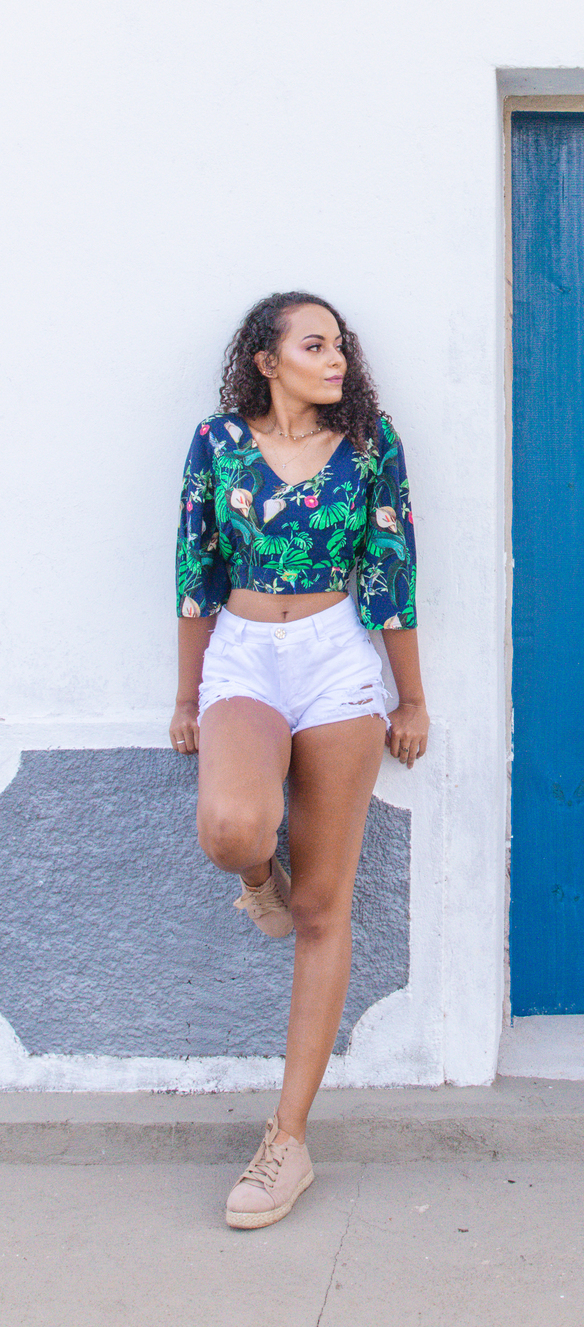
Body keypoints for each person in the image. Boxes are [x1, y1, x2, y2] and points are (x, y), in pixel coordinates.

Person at [169, 290, 429, 1230]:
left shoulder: (370, 447)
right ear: (267, 359)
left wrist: (412, 695)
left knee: (323, 908)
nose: (337, 361)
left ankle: (288, 1141)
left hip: (336, 663)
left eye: (342, 347)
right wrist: (187, 691)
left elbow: (394, 565)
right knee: (233, 828)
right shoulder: (219, 442)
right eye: (314, 345)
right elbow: (195, 564)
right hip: (243, 649)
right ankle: (257, 878)